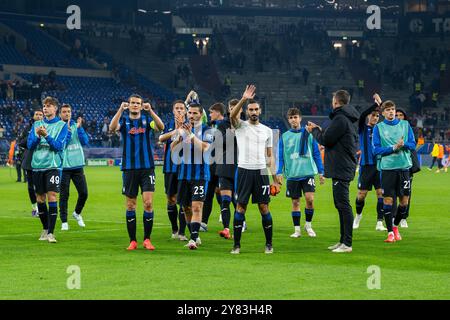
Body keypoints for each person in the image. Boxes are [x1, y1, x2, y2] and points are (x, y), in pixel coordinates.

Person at [306, 90, 359, 253]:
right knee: (340, 204)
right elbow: (332, 138)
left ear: (336, 102)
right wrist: (321, 130)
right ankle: (343, 241)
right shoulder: (345, 118)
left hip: (341, 167)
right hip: (343, 165)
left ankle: (347, 243)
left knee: (343, 205)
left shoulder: (340, 118)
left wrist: (314, 131)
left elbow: (326, 140)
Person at [109, 94, 164, 251]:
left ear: (141, 106)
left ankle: (147, 239)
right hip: (129, 168)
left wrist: (151, 111)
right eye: (132, 103)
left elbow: (161, 127)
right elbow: (112, 128)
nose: (134, 105)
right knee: (131, 205)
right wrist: (120, 110)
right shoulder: (124, 122)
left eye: (137, 103)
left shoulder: (147, 121)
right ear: (129, 105)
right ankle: (133, 240)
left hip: (147, 168)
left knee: (148, 203)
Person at [229, 85, 280, 254]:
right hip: (244, 171)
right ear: (247, 111)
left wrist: (274, 177)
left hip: (260, 173)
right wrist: (243, 99)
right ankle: (236, 245)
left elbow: (269, 156)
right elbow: (232, 115)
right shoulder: (240, 126)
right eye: (250, 109)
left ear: (260, 110)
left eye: (256, 109)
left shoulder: (267, 131)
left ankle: (269, 244)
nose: (253, 112)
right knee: (240, 208)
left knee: (264, 208)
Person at [276, 108, 324, 238]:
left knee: (310, 199)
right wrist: (279, 171)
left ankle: (308, 225)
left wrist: (321, 172)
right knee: (295, 202)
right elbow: (280, 156)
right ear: (288, 120)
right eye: (291, 118)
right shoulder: (285, 137)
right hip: (292, 174)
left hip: (307, 172)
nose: (293, 120)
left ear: (300, 118)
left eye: (295, 117)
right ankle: (297, 230)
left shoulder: (309, 133)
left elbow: (316, 153)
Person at [170, 103, 212, 250]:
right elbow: (173, 151)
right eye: (190, 113)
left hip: (200, 174)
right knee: (186, 208)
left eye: (195, 113)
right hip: (183, 174)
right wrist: (178, 137)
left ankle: (193, 239)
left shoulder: (208, 130)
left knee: (196, 206)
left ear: (201, 114)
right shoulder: (182, 130)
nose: (192, 116)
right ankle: (195, 234)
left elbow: (206, 148)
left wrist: (191, 135)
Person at [373, 100, 416, 243]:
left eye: (393, 109)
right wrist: (393, 148)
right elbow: (376, 150)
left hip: (404, 168)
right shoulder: (378, 128)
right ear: (383, 112)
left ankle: (396, 226)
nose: (391, 112)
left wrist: (403, 145)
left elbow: (413, 144)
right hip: (387, 169)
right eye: (388, 110)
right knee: (388, 200)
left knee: (404, 202)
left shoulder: (405, 125)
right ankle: (390, 232)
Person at [27, 96, 69, 243]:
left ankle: (51, 232)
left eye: (49, 106)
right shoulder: (36, 124)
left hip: (53, 166)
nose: (45, 108)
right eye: (44, 106)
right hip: (37, 166)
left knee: (52, 196)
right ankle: (45, 228)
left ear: (55, 109)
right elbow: (30, 145)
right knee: (40, 198)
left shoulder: (62, 125)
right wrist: (38, 136)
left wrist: (47, 136)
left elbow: (58, 146)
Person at [353, 93, 386, 231]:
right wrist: (376, 104)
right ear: (368, 117)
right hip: (366, 166)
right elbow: (361, 116)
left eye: (377, 116)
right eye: (373, 115)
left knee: (381, 194)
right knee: (361, 195)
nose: (375, 117)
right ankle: (358, 216)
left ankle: (379, 222)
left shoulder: (382, 130)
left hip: (379, 166)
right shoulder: (362, 128)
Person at [158, 100, 188, 241]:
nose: (179, 110)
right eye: (177, 108)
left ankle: (182, 232)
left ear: (185, 111)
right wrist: (176, 131)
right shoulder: (168, 125)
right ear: (173, 110)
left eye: (182, 108)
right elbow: (161, 138)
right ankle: (174, 229)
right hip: (170, 167)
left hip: (185, 167)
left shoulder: (190, 126)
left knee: (182, 200)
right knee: (171, 199)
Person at [59, 104, 89, 231]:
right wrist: (70, 131)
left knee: (84, 193)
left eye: (69, 111)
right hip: (64, 166)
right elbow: (62, 144)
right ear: (60, 114)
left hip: (77, 165)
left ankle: (77, 213)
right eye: (64, 112)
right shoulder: (58, 127)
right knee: (64, 195)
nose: (67, 113)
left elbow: (85, 141)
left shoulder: (76, 126)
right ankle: (64, 221)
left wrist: (80, 128)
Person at [200, 102, 226, 232]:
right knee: (209, 194)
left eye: (211, 112)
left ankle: (239, 222)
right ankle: (203, 223)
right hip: (210, 165)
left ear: (218, 112)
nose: (210, 115)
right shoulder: (208, 127)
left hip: (224, 165)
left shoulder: (228, 125)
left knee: (227, 193)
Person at [395, 108, 421, 228]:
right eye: (397, 115)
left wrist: (403, 144)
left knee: (406, 193)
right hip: (392, 164)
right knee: (392, 193)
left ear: (405, 117)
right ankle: (395, 217)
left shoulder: (409, 129)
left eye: (401, 115)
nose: (399, 117)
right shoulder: (387, 129)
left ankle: (404, 217)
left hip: (407, 165)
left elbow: (412, 145)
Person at [18, 109, 44, 217]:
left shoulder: (48, 127)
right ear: (33, 116)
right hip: (30, 159)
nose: (38, 116)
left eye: (40, 114)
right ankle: (34, 207)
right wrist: (32, 138)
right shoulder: (28, 128)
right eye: (36, 114)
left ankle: (41, 206)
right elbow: (21, 142)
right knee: (30, 186)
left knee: (41, 186)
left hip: (43, 159)